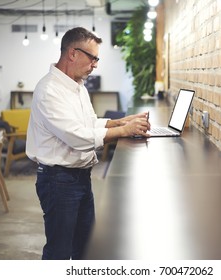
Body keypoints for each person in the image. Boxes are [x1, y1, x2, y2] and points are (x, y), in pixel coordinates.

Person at [26, 26, 150, 260]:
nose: (95, 64)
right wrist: (125, 129)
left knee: (86, 250)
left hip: (79, 177)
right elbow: (76, 137)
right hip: (58, 181)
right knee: (59, 253)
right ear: (73, 53)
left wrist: (120, 122)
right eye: (93, 57)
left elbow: (89, 123)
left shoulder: (77, 86)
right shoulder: (49, 90)